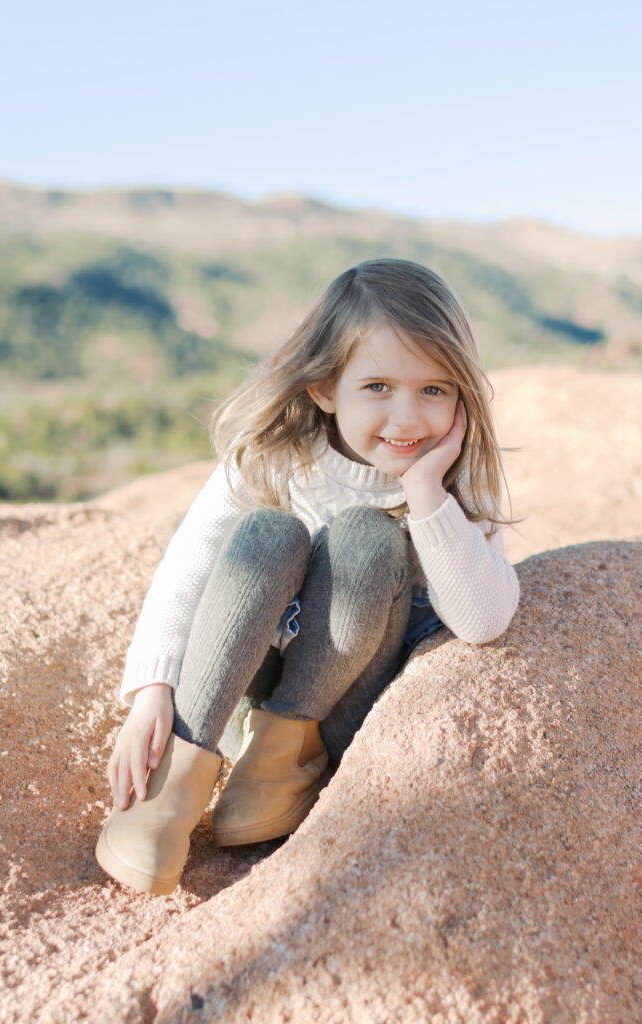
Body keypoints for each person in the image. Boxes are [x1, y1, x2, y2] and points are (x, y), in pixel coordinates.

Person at [95, 257, 520, 895]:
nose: (407, 418)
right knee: (266, 534)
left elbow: (486, 620)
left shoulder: (451, 475)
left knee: (369, 539)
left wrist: (427, 493)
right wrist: (152, 690)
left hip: (335, 711)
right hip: (244, 693)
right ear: (324, 385)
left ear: (461, 394)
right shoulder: (270, 453)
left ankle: (279, 772)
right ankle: (172, 785)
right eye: (377, 386)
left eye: (435, 389)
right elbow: (189, 561)